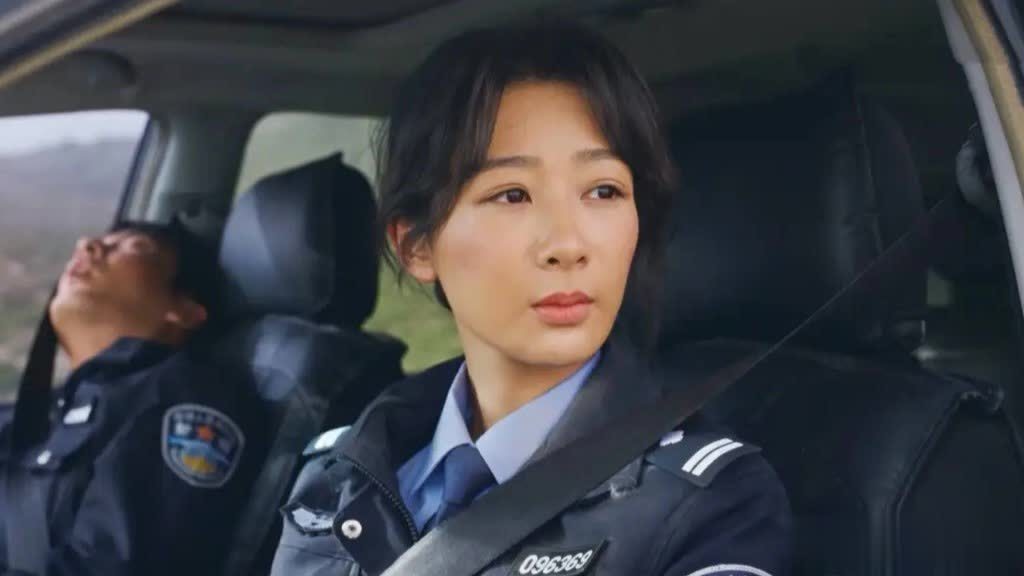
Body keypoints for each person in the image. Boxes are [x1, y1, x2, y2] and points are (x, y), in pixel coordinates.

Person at [272, 23, 792, 576]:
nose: (568, 245)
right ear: (417, 245)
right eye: (513, 195)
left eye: (604, 190)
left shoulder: (709, 507)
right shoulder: (337, 479)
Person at [0, 220, 265, 575]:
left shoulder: (182, 401)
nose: (86, 244)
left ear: (185, 310)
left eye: (135, 246)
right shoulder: (43, 412)